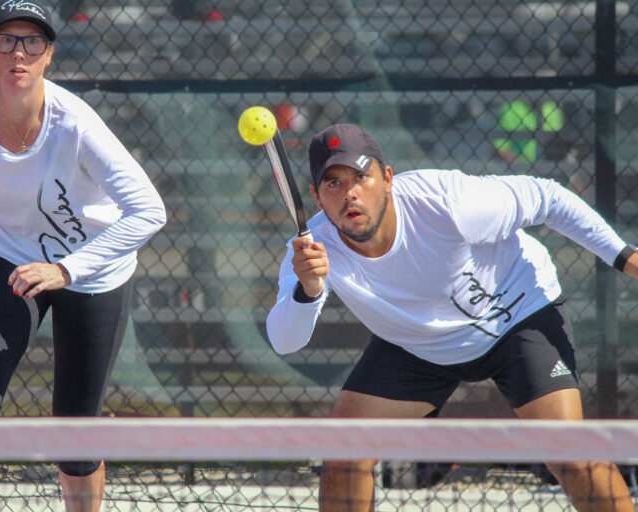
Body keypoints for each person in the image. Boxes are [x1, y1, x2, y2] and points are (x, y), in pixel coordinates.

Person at [266, 123, 637, 512]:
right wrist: (308, 291)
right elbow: (285, 341)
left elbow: (548, 197)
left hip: (516, 317)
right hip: (415, 345)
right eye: (333, 183)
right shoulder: (309, 249)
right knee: (344, 452)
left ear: (387, 178)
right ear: (316, 197)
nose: (350, 193)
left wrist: (624, 256)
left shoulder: (448, 203)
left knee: (571, 455)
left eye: (361, 176)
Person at [0, 2, 166, 511]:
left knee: (76, 438)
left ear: (49, 56)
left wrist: (67, 269)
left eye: (33, 42)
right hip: (8, 256)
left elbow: (150, 210)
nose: (18, 53)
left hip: (93, 272)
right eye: (5, 40)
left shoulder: (76, 125)